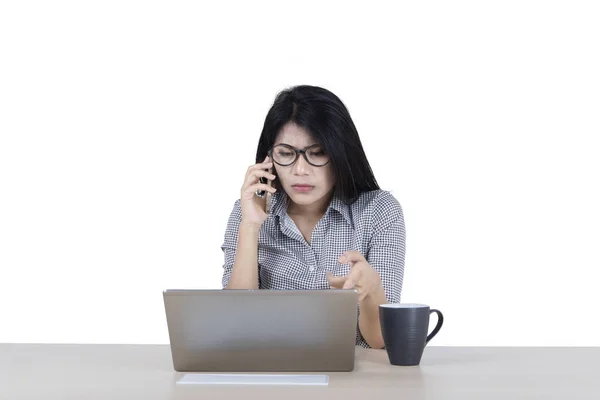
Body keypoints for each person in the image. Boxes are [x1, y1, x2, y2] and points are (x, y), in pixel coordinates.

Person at [220, 85, 406, 349]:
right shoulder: (247, 211)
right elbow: (234, 324)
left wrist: (371, 290)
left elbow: (380, 342)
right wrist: (250, 226)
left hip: (353, 382)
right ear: (268, 159)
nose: (300, 170)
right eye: (286, 154)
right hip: (270, 375)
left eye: (317, 153)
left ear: (340, 153)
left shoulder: (379, 211)